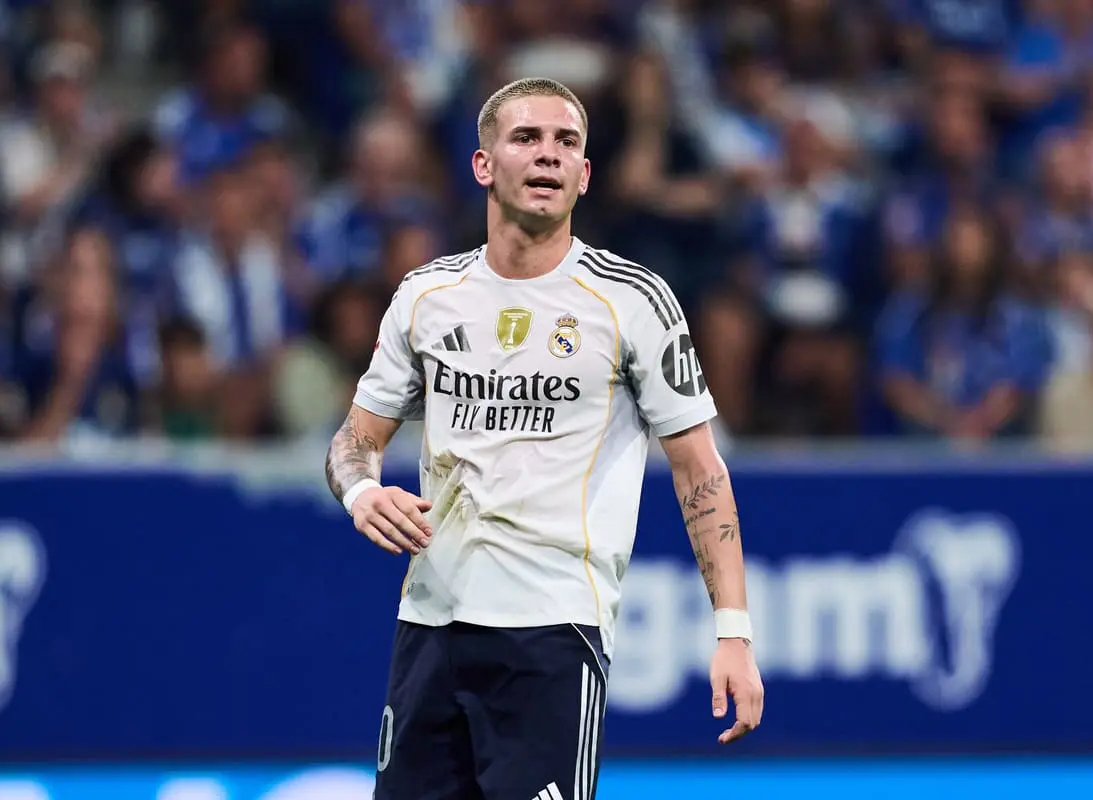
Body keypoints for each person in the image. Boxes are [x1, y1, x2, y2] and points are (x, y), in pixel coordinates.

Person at [325, 77, 764, 800]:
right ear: (484, 164)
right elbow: (353, 438)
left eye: (567, 143)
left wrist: (734, 632)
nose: (549, 155)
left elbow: (700, 471)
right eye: (527, 138)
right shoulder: (425, 297)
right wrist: (362, 490)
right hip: (430, 624)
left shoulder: (633, 301)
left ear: (585, 176)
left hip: (552, 632)